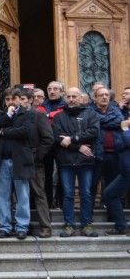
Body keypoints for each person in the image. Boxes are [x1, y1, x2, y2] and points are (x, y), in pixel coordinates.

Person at [0, 88, 36, 240]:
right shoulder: (2, 115)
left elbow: (26, 131)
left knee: (22, 195)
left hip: (20, 161)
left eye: (13, 99)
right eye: (7, 99)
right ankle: (5, 227)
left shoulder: (28, 114)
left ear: (20, 99)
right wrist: (7, 116)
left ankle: (22, 227)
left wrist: (5, 132)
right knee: (2, 196)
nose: (10, 102)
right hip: (2, 161)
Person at [53, 87, 100, 237]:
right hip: (65, 161)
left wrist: (73, 139)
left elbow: (93, 132)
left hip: (85, 161)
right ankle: (69, 225)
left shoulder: (90, 114)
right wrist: (78, 146)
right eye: (69, 96)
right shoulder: (59, 117)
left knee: (86, 193)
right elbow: (58, 138)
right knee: (68, 194)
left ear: (81, 98)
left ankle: (87, 224)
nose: (71, 99)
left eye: (74, 96)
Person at [24, 91, 55, 238]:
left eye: (22, 99)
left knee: (39, 193)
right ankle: (23, 225)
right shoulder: (14, 116)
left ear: (30, 101)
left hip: (35, 162)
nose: (18, 102)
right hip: (18, 161)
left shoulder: (38, 115)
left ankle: (46, 226)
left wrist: (36, 156)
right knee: (21, 195)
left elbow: (48, 138)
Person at [90, 87, 123, 207]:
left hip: (115, 154)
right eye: (101, 95)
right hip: (97, 154)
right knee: (92, 185)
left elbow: (120, 122)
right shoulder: (90, 110)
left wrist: (102, 122)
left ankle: (112, 215)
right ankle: (89, 216)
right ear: (95, 98)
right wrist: (110, 122)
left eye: (106, 95)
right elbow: (94, 123)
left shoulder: (115, 109)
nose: (104, 97)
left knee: (112, 186)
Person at [103, 115, 130, 236]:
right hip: (125, 170)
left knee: (110, 193)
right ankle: (122, 227)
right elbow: (117, 145)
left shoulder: (125, 130)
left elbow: (127, 142)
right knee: (110, 193)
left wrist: (125, 130)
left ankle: (122, 227)